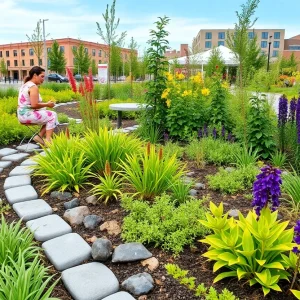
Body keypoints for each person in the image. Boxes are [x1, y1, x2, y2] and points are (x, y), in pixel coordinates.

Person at [17, 66, 58, 144]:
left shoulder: (25, 85)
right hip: (26, 115)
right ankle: (48, 141)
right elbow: (34, 105)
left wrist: (46, 105)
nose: (43, 79)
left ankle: (39, 137)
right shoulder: (33, 87)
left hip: (22, 115)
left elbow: (30, 104)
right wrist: (47, 104)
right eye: (42, 76)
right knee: (53, 115)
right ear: (35, 75)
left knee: (47, 114)